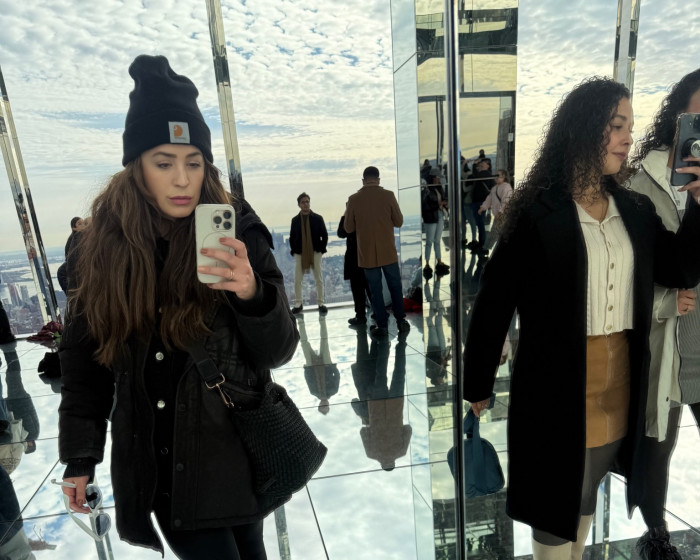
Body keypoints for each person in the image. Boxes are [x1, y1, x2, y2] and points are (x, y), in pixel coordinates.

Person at [57, 54, 299, 559]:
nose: (183, 179)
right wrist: (80, 455)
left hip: (237, 455)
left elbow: (278, 352)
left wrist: (252, 293)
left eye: (194, 162)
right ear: (137, 167)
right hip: (165, 461)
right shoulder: (99, 250)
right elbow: (84, 362)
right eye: (164, 163)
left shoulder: (239, 229)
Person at [463, 77, 700, 560]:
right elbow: (494, 300)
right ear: (584, 129)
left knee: (586, 492)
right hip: (556, 387)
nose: (628, 138)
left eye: (630, 127)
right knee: (555, 512)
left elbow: (680, 268)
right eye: (617, 126)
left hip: (620, 388)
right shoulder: (537, 213)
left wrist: (699, 203)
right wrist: (478, 383)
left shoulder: (633, 209)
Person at [628, 68, 700, 559]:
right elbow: (629, 277)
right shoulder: (641, 181)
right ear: (678, 117)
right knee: (657, 450)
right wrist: (664, 303)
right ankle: (656, 535)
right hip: (666, 344)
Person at [344, 166, 410, 338]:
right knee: (395, 286)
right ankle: (401, 321)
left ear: (363, 180)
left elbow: (348, 228)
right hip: (388, 251)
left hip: (367, 254)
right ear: (378, 180)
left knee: (375, 290)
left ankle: (382, 325)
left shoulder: (353, 199)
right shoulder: (388, 195)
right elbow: (399, 221)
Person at [289, 193, 328, 314]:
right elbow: (292, 237)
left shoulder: (318, 218)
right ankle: (298, 304)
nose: (306, 204)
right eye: (303, 202)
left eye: (307, 201)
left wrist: (321, 250)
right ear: (299, 205)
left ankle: (321, 303)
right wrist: (295, 251)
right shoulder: (295, 220)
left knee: (318, 278)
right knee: (298, 279)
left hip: (315, 251)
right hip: (300, 253)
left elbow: (324, 235)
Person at [338, 211, 372, 326]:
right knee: (369, 287)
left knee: (360, 289)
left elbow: (341, 233)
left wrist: (345, 215)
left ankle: (361, 316)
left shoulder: (353, 218)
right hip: (365, 256)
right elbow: (341, 233)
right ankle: (375, 313)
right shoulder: (364, 214)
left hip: (356, 257)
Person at [421, 173, 450, 278]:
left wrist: (444, 203)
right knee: (429, 241)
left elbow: (443, 199)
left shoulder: (439, 189)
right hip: (431, 217)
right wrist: (439, 205)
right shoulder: (426, 191)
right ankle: (427, 264)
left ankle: (439, 262)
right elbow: (425, 207)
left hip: (440, 215)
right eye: (437, 177)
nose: (439, 179)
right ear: (432, 179)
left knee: (437, 240)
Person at [478, 169, 513, 251]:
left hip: (502, 215)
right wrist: (483, 207)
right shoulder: (495, 188)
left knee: (495, 232)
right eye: (495, 175)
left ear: (504, 176)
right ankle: (487, 249)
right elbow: (489, 199)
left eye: (498, 175)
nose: (496, 177)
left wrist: (500, 212)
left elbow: (506, 201)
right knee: (498, 233)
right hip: (499, 215)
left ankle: (485, 249)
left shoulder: (506, 187)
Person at [467, 159, 494, 252]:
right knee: (479, 223)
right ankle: (482, 243)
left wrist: (474, 165)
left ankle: (482, 243)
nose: (482, 164)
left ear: (488, 166)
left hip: (479, 202)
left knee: (480, 223)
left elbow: (476, 176)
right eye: (481, 163)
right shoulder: (488, 175)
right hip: (480, 201)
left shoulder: (485, 174)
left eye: (484, 163)